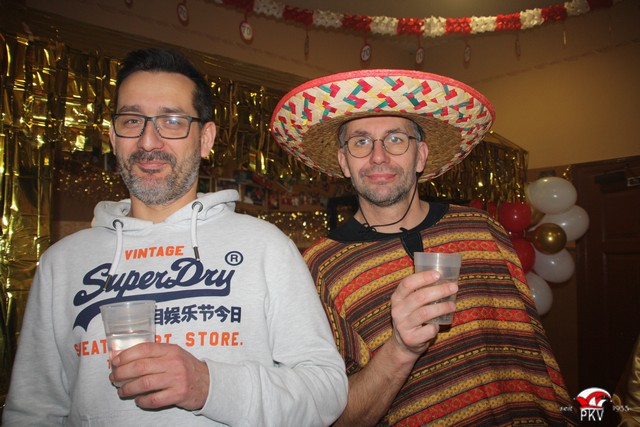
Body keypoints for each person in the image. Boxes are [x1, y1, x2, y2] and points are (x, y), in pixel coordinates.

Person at [2, 48, 347, 426]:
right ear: (114, 137)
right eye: (132, 120)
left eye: (172, 121)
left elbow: (326, 391)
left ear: (205, 138)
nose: (149, 141)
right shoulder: (61, 263)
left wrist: (209, 385)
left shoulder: (266, 247)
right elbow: (33, 412)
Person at [270, 69, 578, 426]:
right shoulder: (319, 268)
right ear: (344, 162)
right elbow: (336, 417)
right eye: (361, 141)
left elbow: (535, 357)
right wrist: (401, 349)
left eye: (395, 139)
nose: (378, 156)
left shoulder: (483, 232)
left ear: (420, 156)